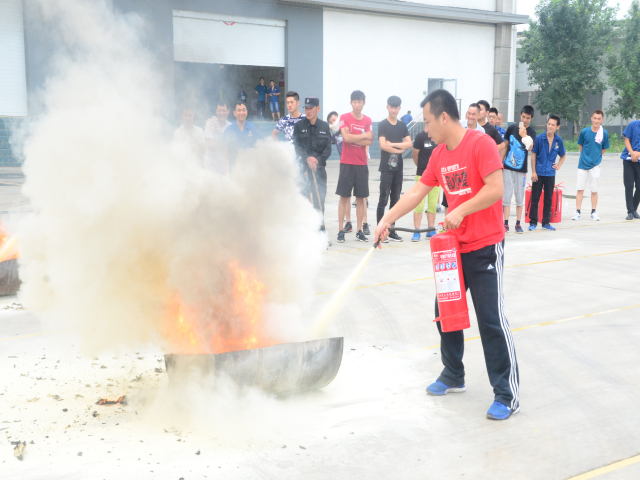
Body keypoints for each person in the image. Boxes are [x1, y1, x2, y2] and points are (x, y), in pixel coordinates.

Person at [374, 89, 519, 421]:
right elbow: (416, 191)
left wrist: (462, 209)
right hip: (453, 249)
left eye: (426, 121)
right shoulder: (439, 155)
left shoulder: (480, 144)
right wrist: (386, 219)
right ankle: (453, 375)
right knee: (446, 312)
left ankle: (506, 394)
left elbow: (495, 189)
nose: (425, 129)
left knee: (490, 319)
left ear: (443, 117)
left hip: (484, 246)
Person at [336, 90, 373, 243]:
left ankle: (359, 230)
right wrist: (362, 136)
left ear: (364, 103)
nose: (357, 105)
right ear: (351, 103)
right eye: (354, 102)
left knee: (360, 198)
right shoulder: (344, 117)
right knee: (344, 197)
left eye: (360, 102)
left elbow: (370, 141)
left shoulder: (368, 120)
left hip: (361, 164)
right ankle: (340, 230)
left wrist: (354, 138)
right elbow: (346, 138)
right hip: (347, 163)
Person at [293, 97, 332, 232]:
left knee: (319, 201)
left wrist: (317, 161)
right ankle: (304, 232)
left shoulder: (324, 126)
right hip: (303, 170)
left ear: (318, 109)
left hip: (319, 171)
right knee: (303, 201)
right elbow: (297, 146)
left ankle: (320, 231)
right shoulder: (299, 126)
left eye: (311, 108)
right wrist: (308, 160)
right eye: (306, 108)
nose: (308, 111)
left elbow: (328, 149)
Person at [377, 95, 412, 242]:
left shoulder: (402, 125)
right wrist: (398, 149)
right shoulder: (382, 125)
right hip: (386, 168)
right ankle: (380, 231)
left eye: (396, 107)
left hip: (398, 169)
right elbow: (382, 145)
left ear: (399, 108)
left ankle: (391, 231)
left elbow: (409, 144)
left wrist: (392, 145)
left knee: (395, 201)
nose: (393, 110)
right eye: (391, 107)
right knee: (383, 199)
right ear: (387, 107)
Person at [529, 115, 566, 231]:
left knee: (548, 199)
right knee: (535, 198)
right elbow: (533, 155)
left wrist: (558, 165)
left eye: (552, 125)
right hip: (539, 173)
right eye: (549, 124)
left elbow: (563, 154)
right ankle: (533, 222)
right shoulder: (540, 138)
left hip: (550, 173)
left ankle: (546, 222)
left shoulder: (558, 140)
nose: (550, 126)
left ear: (557, 127)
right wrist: (534, 172)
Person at [503, 105, 536, 233]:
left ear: (531, 118)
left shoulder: (531, 132)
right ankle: (505, 223)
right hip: (508, 167)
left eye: (528, 118)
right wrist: (501, 162)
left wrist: (524, 135)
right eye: (523, 117)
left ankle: (518, 223)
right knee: (506, 195)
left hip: (521, 170)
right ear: (520, 115)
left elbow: (530, 148)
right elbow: (505, 146)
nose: (525, 119)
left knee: (519, 196)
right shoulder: (511, 128)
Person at [573, 110, 609, 221]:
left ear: (602, 120)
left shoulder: (604, 133)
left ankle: (593, 212)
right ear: (591, 118)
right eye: (595, 118)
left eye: (599, 119)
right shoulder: (585, 132)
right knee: (580, 189)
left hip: (595, 165)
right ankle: (577, 212)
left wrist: (596, 158)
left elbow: (604, 148)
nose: (597, 120)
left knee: (594, 189)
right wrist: (585, 156)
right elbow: (581, 146)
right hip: (583, 164)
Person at [411, 124, 438, 241]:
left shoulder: (438, 137)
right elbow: (414, 154)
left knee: (432, 204)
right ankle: (417, 231)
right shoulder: (420, 136)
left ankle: (430, 229)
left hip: (436, 176)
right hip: (422, 174)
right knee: (419, 204)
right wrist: (421, 167)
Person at [203, 101, 231, 173]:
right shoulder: (210, 123)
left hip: (225, 165)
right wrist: (225, 144)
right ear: (216, 111)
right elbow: (209, 143)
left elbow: (231, 147)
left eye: (224, 111)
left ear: (228, 111)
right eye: (219, 111)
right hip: (211, 164)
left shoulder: (230, 127)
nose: (221, 113)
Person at [621, 118, 640, 220]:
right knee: (629, 186)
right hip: (628, 160)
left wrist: (638, 154)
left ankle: (634, 208)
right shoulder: (633, 124)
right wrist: (632, 153)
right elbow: (627, 140)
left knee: (639, 186)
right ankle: (630, 211)